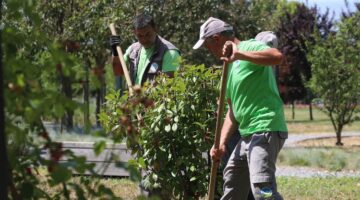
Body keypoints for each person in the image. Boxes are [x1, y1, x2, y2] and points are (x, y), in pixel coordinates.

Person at [193, 17, 288, 200]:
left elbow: (277, 57)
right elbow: (232, 112)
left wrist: (240, 55)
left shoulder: (250, 47)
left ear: (217, 39)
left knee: (263, 191)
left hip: (265, 128)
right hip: (247, 136)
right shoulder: (228, 68)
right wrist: (220, 143)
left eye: (207, 46)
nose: (208, 51)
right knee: (233, 181)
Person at [110, 13, 181, 93]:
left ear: (155, 29)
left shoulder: (169, 52)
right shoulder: (133, 49)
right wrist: (115, 53)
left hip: (156, 104)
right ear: (134, 33)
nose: (144, 39)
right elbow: (118, 72)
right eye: (140, 36)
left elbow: (169, 85)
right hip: (135, 103)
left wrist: (144, 97)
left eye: (148, 34)